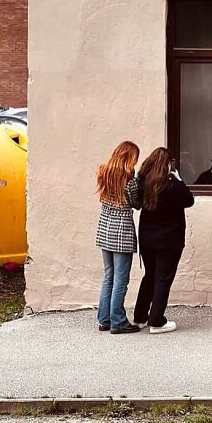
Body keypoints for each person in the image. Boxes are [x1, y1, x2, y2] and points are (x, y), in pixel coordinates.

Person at [133, 147, 194, 333]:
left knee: (150, 276)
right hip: (169, 242)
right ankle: (157, 321)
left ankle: (140, 317)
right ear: (167, 165)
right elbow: (189, 200)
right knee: (162, 280)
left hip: (147, 240)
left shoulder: (143, 184)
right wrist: (180, 180)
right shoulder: (172, 185)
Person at [95, 140, 142, 334]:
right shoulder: (129, 180)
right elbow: (136, 203)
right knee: (121, 279)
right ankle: (118, 321)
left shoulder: (103, 173)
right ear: (130, 158)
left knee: (109, 276)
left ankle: (104, 319)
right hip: (122, 230)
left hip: (105, 228)